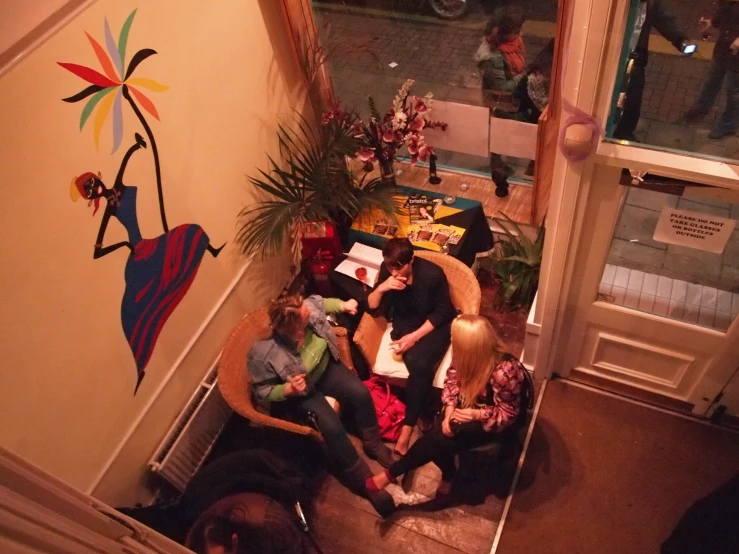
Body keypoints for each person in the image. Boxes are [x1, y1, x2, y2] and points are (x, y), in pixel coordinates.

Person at [70, 133, 223, 394]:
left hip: (149, 245)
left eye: (92, 183)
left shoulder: (117, 184)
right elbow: (97, 251)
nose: (94, 188)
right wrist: (122, 245)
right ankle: (141, 363)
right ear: (90, 198)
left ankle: (212, 249)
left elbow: (127, 159)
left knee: (190, 232)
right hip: (139, 253)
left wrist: (136, 145)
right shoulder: (108, 210)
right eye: (89, 191)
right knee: (137, 307)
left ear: (98, 177)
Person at [248, 294, 394, 516]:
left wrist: (344, 305)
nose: (309, 310)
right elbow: (262, 391)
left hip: (326, 370)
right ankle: (365, 481)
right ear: (296, 328)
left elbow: (321, 303)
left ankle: (372, 443)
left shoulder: (307, 309)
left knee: (361, 393)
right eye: (305, 314)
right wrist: (287, 390)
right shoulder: (264, 354)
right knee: (333, 429)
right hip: (304, 392)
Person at [365, 315, 527, 500]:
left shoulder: (504, 371)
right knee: (440, 431)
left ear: (469, 345)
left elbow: (509, 413)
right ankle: (440, 473)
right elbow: (451, 381)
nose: (450, 340)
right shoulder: (463, 355)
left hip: (491, 416)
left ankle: (396, 472)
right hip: (470, 403)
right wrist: (449, 410)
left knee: (440, 439)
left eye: (454, 337)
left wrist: (476, 414)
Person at [366, 238, 457, 456]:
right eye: (390, 267)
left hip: (434, 325)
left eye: (399, 267)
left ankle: (407, 429)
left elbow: (443, 312)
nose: (394, 272)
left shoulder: (432, 275)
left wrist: (414, 338)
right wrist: (382, 287)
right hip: (406, 323)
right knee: (418, 365)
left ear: (412, 260)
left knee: (420, 362)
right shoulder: (388, 272)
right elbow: (371, 305)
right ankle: (425, 411)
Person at [614, 0, 691, 141]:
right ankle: (611, 130)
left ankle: (625, 133)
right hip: (614, 55)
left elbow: (665, 20)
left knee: (634, 98)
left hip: (636, 57)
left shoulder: (651, 3)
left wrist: (681, 41)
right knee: (613, 95)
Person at [475, 6, 527, 198]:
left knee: (502, 132)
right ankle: (496, 166)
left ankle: (498, 163)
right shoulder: (493, 57)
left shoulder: (510, 46)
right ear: (505, 33)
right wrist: (523, 76)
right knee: (498, 133)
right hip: (500, 102)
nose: (520, 34)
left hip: (507, 101)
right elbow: (502, 88)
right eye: (516, 31)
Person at [680, 2, 739, 140]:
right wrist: (712, 22)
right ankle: (701, 109)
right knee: (711, 81)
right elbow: (724, 12)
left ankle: (728, 125)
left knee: (733, 91)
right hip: (723, 48)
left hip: (737, 55)